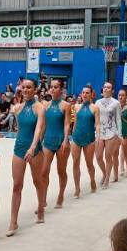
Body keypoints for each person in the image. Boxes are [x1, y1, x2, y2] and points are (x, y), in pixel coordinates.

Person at [6, 78, 46, 236]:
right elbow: (19, 129)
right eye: (24, 87)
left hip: (34, 149)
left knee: (37, 181)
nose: (26, 90)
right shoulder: (17, 108)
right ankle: (13, 221)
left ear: (35, 89)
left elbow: (38, 129)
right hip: (19, 148)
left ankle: (41, 209)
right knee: (17, 185)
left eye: (29, 87)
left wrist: (33, 147)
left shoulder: (40, 108)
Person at [40, 79, 71, 210]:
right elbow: (43, 125)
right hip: (47, 141)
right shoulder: (45, 105)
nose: (53, 89)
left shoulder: (65, 105)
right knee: (43, 172)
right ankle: (43, 199)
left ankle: (61, 195)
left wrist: (65, 139)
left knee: (61, 171)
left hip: (61, 141)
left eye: (56, 87)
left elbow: (66, 124)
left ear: (61, 89)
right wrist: (39, 141)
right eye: (51, 87)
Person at [70, 86, 99, 198]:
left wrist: (98, 136)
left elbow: (97, 124)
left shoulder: (95, 108)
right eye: (83, 92)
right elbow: (75, 123)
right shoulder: (76, 107)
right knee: (75, 163)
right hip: (76, 137)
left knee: (89, 163)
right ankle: (77, 188)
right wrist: (72, 136)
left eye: (87, 92)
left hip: (89, 138)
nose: (85, 94)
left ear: (91, 94)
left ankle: (92, 180)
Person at [94, 82, 121, 188]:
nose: (106, 89)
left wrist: (120, 134)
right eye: (104, 87)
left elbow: (118, 118)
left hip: (112, 131)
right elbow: (95, 117)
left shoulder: (116, 103)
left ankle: (107, 179)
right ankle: (105, 173)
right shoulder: (97, 102)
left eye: (108, 87)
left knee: (108, 156)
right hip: (100, 132)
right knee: (98, 156)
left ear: (112, 90)